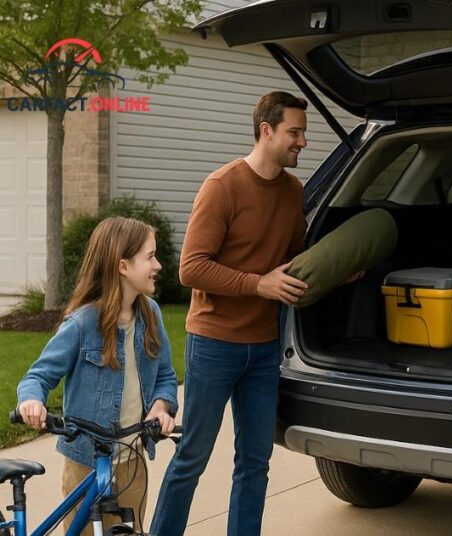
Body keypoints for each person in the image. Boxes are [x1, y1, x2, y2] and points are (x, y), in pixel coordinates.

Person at [150, 91, 313, 536]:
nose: (302, 142)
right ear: (267, 131)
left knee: (256, 462)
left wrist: (339, 268)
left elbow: (295, 257)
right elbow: (191, 268)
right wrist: (259, 284)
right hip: (214, 343)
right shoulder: (222, 186)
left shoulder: (293, 191)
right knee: (193, 456)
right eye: (294, 132)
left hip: (264, 348)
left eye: (304, 133)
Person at [17, 217, 179, 535]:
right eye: (150, 256)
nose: (158, 265)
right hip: (85, 462)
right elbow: (37, 376)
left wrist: (161, 407)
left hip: (131, 461)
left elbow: (165, 376)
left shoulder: (151, 315)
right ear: (123, 266)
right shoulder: (82, 324)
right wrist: (31, 401)